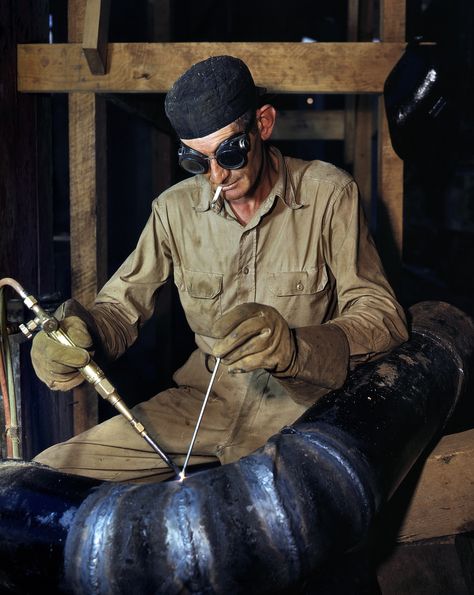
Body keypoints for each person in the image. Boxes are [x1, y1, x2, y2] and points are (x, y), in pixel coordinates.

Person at [31, 55, 408, 482]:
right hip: (204, 402)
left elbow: (383, 318)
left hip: (303, 409)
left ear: (263, 125)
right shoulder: (174, 210)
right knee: (50, 477)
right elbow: (119, 310)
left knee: (277, 519)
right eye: (196, 160)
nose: (216, 177)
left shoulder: (329, 195)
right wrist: (77, 335)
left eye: (229, 152)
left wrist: (295, 349)